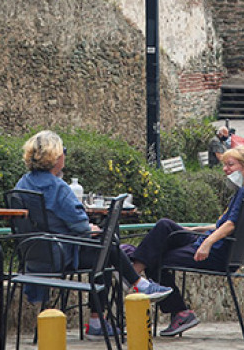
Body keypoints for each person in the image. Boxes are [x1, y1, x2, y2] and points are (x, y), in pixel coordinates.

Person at [14, 130, 172, 339]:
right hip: (60, 254)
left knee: (104, 248)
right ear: (56, 158)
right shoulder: (58, 188)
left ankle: (129, 290)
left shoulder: (22, 184)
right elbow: (79, 225)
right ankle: (129, 291)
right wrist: (91, 228)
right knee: (106, 246)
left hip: (33, 256)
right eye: (63, 152)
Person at [128, 144, 244, 336]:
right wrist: (191, 229)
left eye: (230, 165)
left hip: (217, 252)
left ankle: (132, 277)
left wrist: (207, 243)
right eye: (224, 165)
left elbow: (230, 226)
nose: (226, 170)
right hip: (221, 248)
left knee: (157, 251)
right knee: (166, 228)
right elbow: (220, 224)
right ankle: (140, 279)